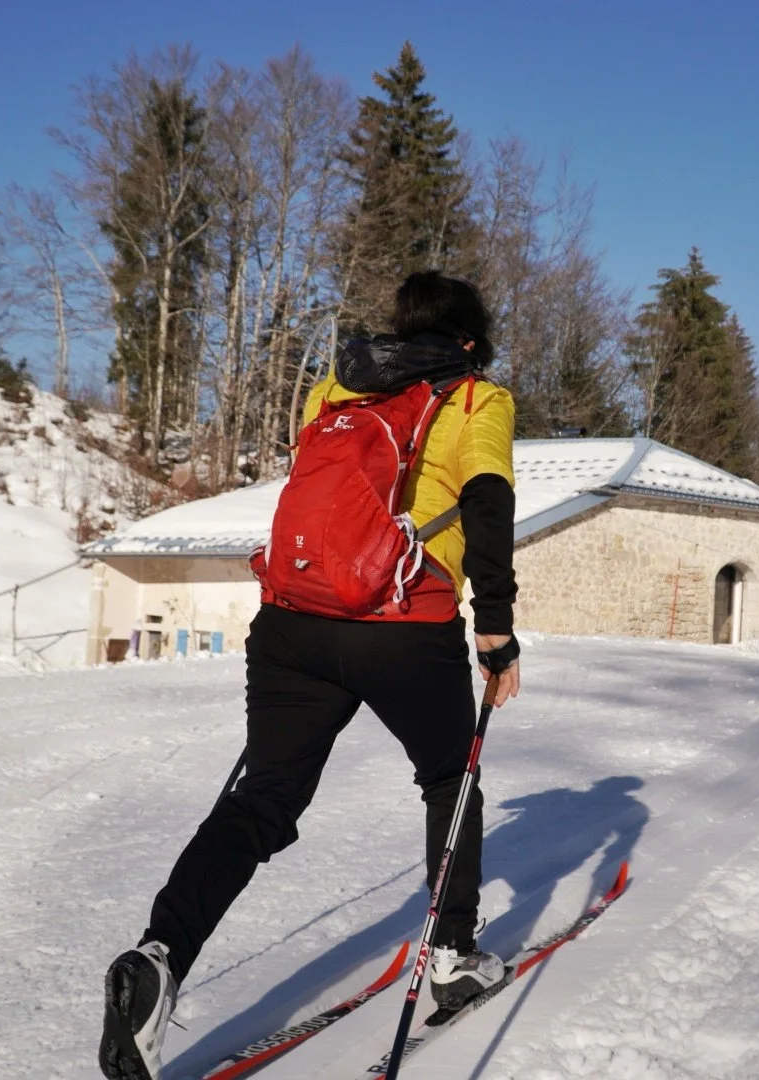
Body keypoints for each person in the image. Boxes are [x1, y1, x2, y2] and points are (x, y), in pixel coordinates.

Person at [98, 272, 524, 1080]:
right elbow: (489, 502)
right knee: (448, 779)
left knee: (263, 799)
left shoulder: (338, 383)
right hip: (405, 623)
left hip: (294, 621)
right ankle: (454, 958)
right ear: (469, 339)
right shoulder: (476, 398)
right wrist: (495, 632)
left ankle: (160, 955)